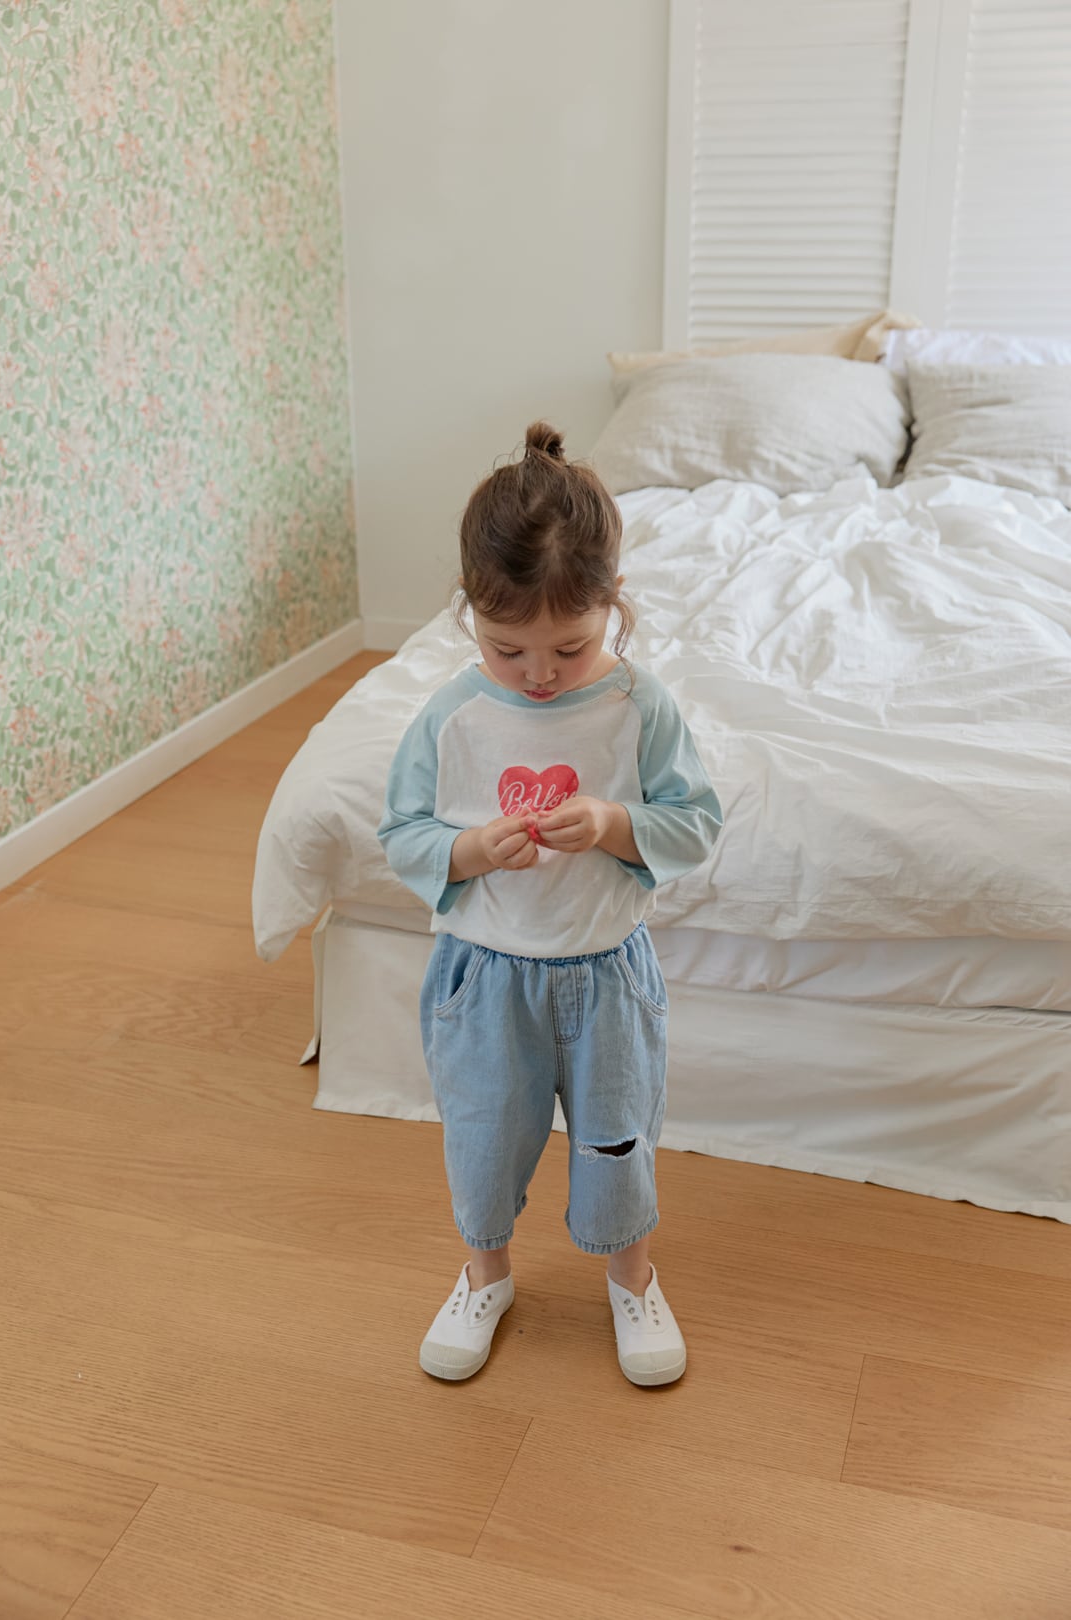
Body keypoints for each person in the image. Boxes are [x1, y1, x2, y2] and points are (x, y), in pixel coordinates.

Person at [377, 420, 722, 1387]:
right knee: (483, 1140)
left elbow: (696, 823)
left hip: (608, 976)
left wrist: (613, 823)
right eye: (507, 649)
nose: (538, 674)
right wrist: (468, 850)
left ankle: (632, 1279)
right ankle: (484, 1276)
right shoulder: (451, 716)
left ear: (613, 604)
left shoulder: (638, 708)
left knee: (619, 1143)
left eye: (570, 647)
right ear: (469, 611)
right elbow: (400, 832)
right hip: (484, 978)